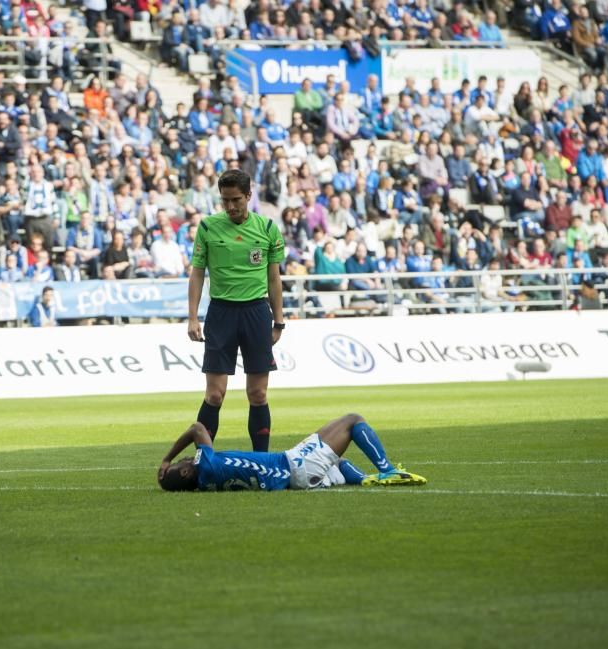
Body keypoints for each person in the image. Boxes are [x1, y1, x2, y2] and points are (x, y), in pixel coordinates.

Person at [188, 170, 285, 452]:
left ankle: (262, 461)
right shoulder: (207, 227)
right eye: (225, 201)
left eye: (236, 200)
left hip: (256, 313)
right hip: (221, 314)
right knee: (215, 395)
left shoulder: (267, 229)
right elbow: (197, 274)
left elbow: (274, 279)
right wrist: (193, 317)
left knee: (258, 394)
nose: (230, 207)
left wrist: (278, 322)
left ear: (248, 196)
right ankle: (202, 460)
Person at [158, 413, 427, 491]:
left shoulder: (204, 482)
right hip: (293, 464)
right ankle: (387, 470)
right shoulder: (204, 465)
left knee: (337, 460)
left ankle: (365, 480)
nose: (186, 458)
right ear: (184, 471)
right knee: (353, 420)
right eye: (181, 463)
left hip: (295, 477)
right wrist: (167, 458)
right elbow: (197, 428)